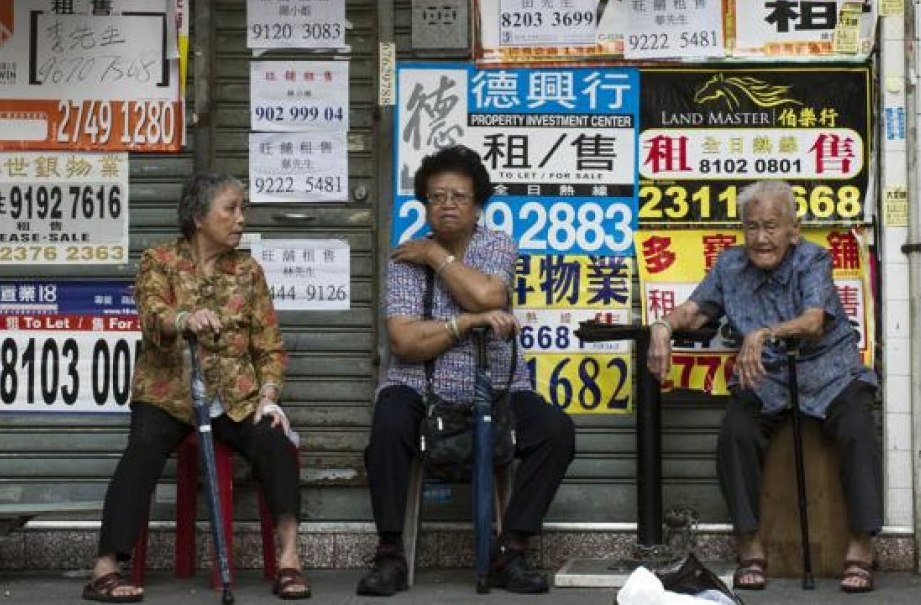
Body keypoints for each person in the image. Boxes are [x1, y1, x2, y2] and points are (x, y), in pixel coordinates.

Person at [357, 145, 576, 596]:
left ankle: (510, 549)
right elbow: (404, 342)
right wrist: (465, 324)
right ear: (424, 203)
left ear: (478, 206)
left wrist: (437, 258)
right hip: (420, 387)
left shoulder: (496, 245)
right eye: (437, 197)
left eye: (459, 196)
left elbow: (489, 297)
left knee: (555, 430)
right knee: (389, 421)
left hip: (497, 386)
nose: (447, 205)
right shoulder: (404, 259)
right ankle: (391, 554)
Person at [82, 173, 310, 602]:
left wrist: (268, 396)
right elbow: (152, 314)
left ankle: (289, 560)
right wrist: (183, 317)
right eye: (231, 208)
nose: (241, 218)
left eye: (242, 209)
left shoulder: (248, 270)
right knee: (143, 447)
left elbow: (269, 347)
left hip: (236, 398)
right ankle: (106, 568)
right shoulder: (160, 260)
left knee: (275, 443)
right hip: (169, 393)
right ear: (198, 216)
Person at [647, 180, 881, 594]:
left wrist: (764, 333)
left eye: (771, 227)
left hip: (829, 373)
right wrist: (663, 326)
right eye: (751, 227)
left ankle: (861, 547)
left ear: (793, 229)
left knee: (858, 430)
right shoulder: (729, 266)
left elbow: (813, 321)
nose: (760, 238)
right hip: (767, 379)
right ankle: (750, 545)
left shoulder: (814, 259)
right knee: (735, 432)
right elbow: (695, 310)